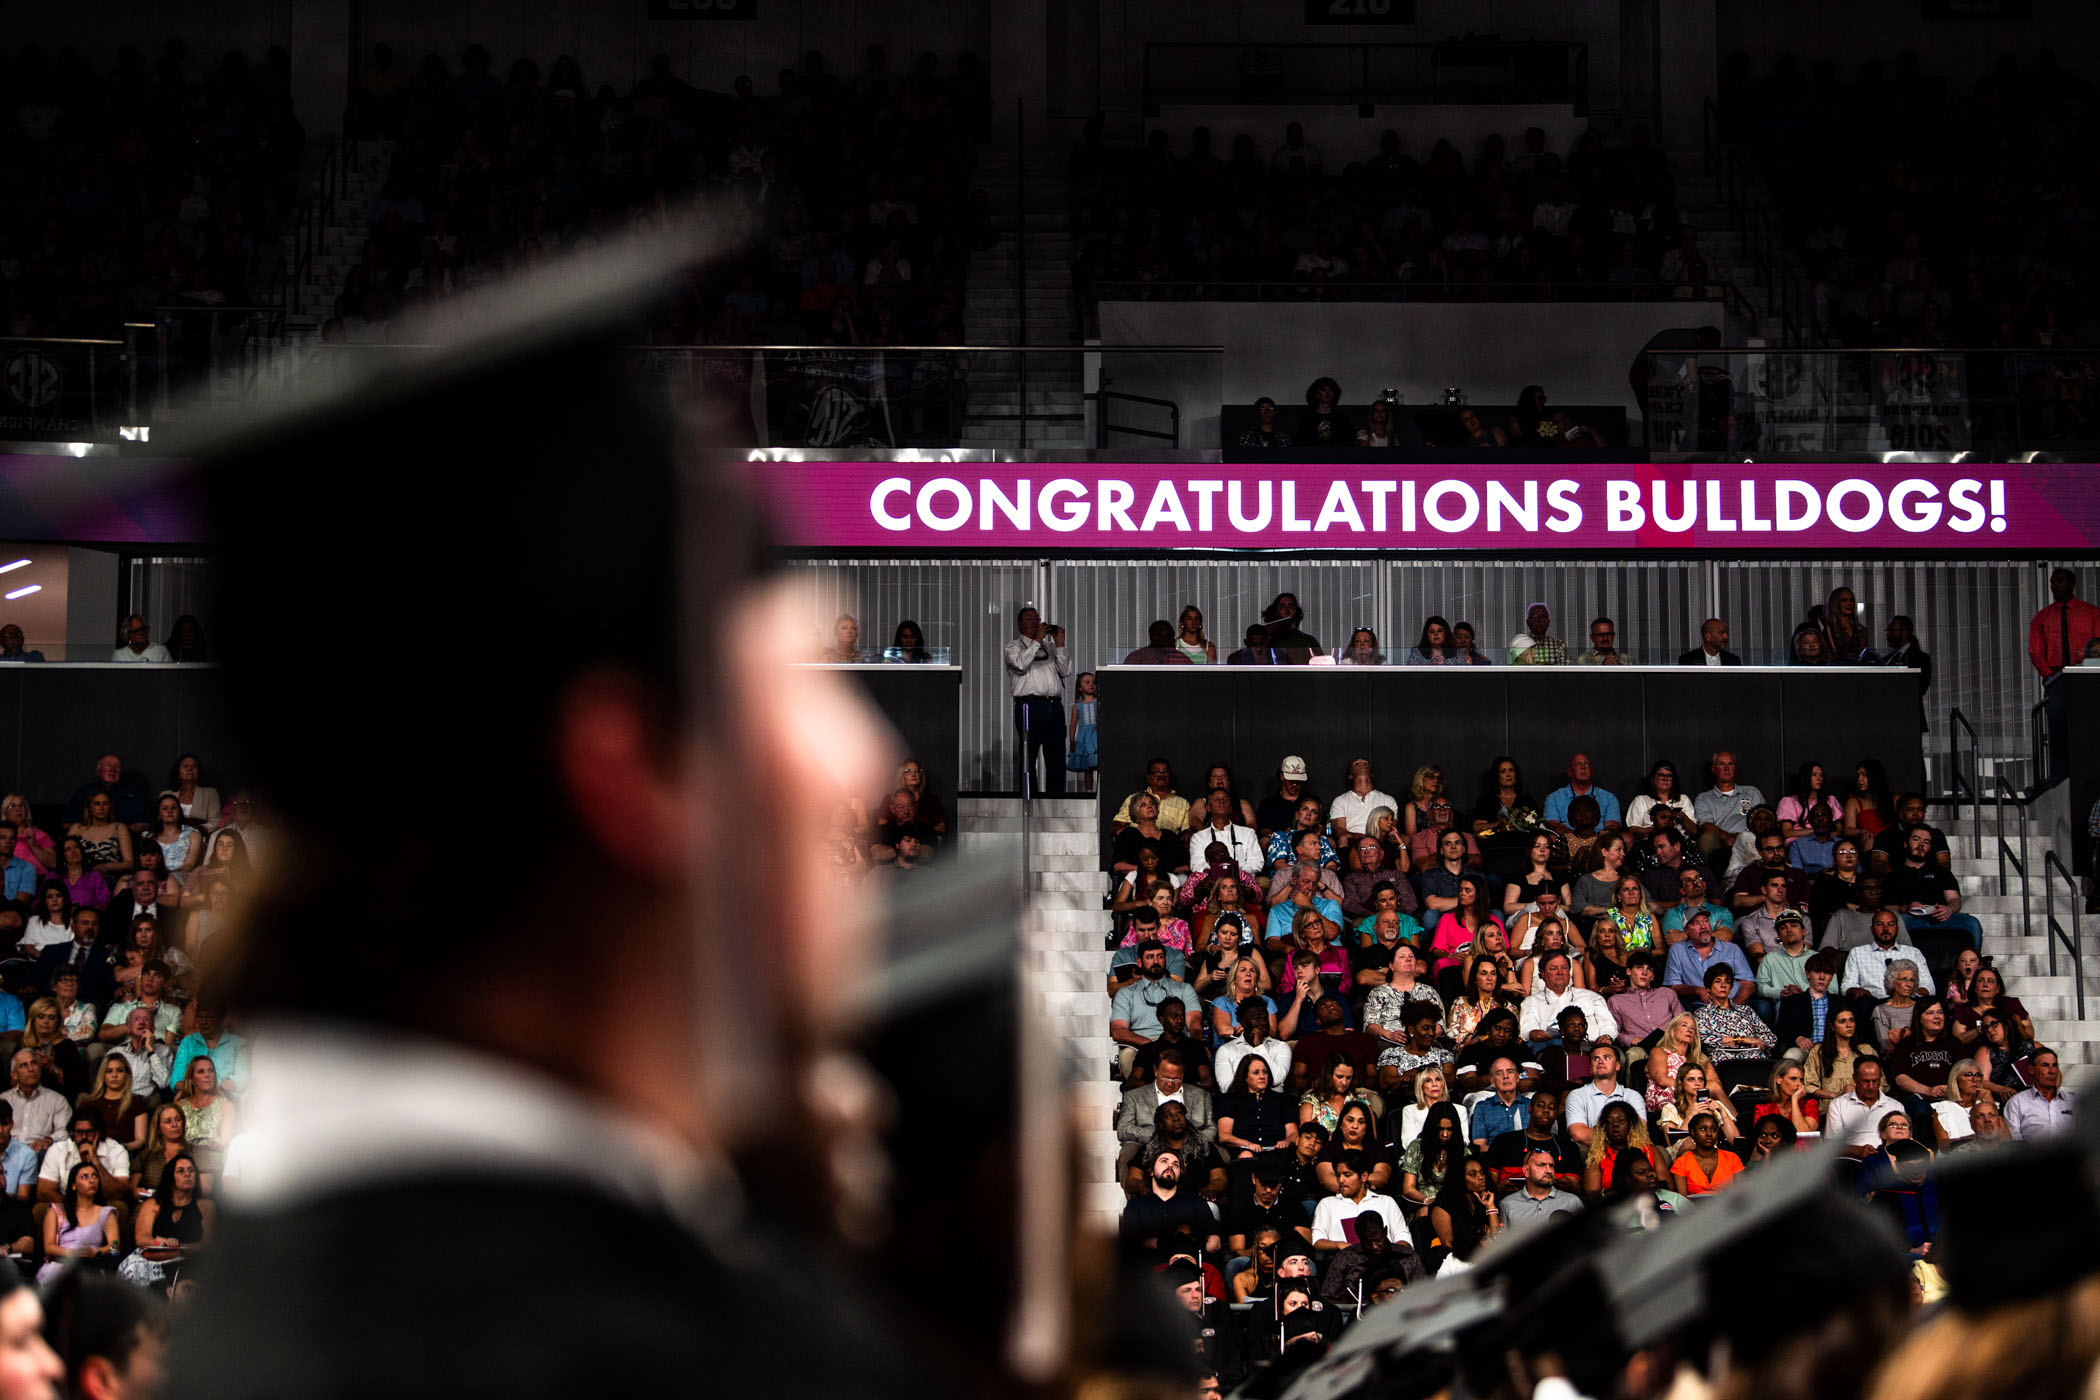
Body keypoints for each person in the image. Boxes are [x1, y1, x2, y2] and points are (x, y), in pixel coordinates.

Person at [167, 282, 947, 1399]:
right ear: (631, 768)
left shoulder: (281, 1311)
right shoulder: (690, 1369)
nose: (866, 766)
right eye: (808, 677)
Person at [2028, 568, 2100, 780]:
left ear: (2071, 584)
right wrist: (2050, 676)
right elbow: (2035, 651)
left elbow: (2098, 646)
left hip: (2086, 677)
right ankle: (2059, 778)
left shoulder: (2092, 613)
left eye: (2059, 581)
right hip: (2057, 678)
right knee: (2058, 731)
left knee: (2088, 729)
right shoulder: (2042, 618)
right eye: (2052, 582)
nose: (2054, 585)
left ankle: (2090, 774)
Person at [1005, 606, 1070, 796]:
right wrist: (1037, 641)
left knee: (1057, 756)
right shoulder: (1013, 647)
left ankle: (1056, 799)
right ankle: (1029, 799)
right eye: (1029, 619)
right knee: (1028, 755)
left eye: (1037, 618)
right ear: (1020, 624)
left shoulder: (1049, 648)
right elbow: (1019, 664)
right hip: (1029, 705)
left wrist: (1059, 644)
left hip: (1054, 705)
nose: (1035, 622)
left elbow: (1065, 671)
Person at [1694, 750, 1768, 865]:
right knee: (1706, 838)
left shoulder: (1752, 792)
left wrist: (1742, 837)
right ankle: (1717, 880)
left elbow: (1766, 817)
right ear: (1714, 769)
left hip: (1750, 838)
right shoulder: (1704, 798)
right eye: (1722, 764)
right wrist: (1727, 837)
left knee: (1747, 837)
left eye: (1730, 764)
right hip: (1722, 841)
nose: (1726, 768)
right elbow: (1706, 825)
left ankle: (1756, 870)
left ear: (1735, 768)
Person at [1843, 911, 1936, 1001]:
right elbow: (1847, 985)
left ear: (1897, 929)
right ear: (1872, 929)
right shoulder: (1857, 953)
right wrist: (1854, 990)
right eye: (1880, 924)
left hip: (1908, 1004)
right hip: (1872, 1005)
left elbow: (1929, 987)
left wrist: (1909, 994)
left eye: (1890, 924)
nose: (1886, 929)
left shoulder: (1913, 952)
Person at [1825, 1056, 1901, 1158]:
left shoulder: (1895, 1106)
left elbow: (1903, 1142)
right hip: (1852, 1161)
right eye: (1866, 1081)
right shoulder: (1838, 1104)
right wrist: (1856, 1150)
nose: (1871, 1087)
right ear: (1854, 1078)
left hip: (1887, 1162)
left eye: (1875, 1081)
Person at [1501, 1146, 1582, 1229]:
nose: (1549, 1171)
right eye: (1541, 1165)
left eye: (1551, 1166)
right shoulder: (1508, 1204)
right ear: (1526, 1170)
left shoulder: (1572, 1202)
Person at [2004, 1048, 2074, 1139]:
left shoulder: (2073, 1102)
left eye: (2055, 1065)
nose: (2052, 1071)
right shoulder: (2017, 1103)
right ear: (2031, 1070)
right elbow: (2014, 1142)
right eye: (2045, 1065)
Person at [1542, 753, 1621, 834]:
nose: (1583, 767)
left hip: (1601, 841)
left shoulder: (1609, 798)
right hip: (1567, 840)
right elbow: (1552, 824)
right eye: (1578, 764)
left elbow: (1612, 825)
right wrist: (1577, 839)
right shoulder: (1554, 798)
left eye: (1586, 764)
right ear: (1570, 772)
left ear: (1592, 770)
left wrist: (1595, 839)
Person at [1880, 616, 1933, 733]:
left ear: (1904, 632)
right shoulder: (1885, 660)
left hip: (1910, 718)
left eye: (1891, 631)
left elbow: (1922, 686)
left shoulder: (1921, 658)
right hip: (1888, 719)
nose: (1887, 635)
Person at [1066, 672, 1098, 789]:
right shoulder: (1077, 706)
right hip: (1084, 737)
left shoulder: (1099, 702)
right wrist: (1071, 740)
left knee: (1099, 764)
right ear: (1080, 688)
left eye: (1094, 683)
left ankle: (1099, 792)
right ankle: (1088, 791)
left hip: (1096, 736)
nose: (1091, 685)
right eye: (1087, 682)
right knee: (1088, 767)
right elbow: (1073, 724)